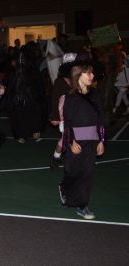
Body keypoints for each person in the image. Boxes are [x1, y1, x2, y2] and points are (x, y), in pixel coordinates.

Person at [58, 58, 105, 220]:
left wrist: (101, 140)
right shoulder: (70, 97)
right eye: (88, 72)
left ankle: (82, 205)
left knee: (87, 173)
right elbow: (68, 122)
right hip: (76, 139)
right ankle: (65, 187)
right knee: (72, 171)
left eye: (92, 72)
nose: (91, 76)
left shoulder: (95, 95)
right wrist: (71, 141)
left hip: (92, 140)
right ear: (78, 74)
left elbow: (100, 119)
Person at [49, 53, 77, 168]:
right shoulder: (60, 81)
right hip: (65, 113)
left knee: (76, 136)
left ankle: (57, 157)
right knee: (67, 136)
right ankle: (56, 158)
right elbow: (55, 99)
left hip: (78, 112)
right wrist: (55, 116)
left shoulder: (80, 78)